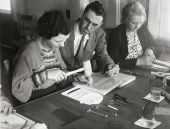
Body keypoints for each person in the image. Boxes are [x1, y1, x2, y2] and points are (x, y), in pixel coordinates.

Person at [12, 10, 71, 103]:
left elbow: (62, 71)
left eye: (65, 40)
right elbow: (18, 89)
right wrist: (46, 75)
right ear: (45, 34)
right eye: (58, 41)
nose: (62, 45)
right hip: (35, 100)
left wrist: (76, 77)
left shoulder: (54, 47)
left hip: (54, 94)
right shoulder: (29, 52)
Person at [60, 1, 119, 83]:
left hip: (86, 81)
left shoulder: (99, 34)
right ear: (81, 15)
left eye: (95, 25)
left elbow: (102, 56)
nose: (88, 27)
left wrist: (109, 66)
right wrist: (74, 77)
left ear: (100, 24)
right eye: (87, 20)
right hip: (61, 82)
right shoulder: (62, 29)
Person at [107, 1, 161, 69]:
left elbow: (158, 49)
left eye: (140, 22)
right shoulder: (117, 34)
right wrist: (139, 61)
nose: (137, 26)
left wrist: (150, 49)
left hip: (142, 70)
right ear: (125, 20)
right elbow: (113, 62)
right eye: (133, 23)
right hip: (124, 73)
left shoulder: (142, 29)